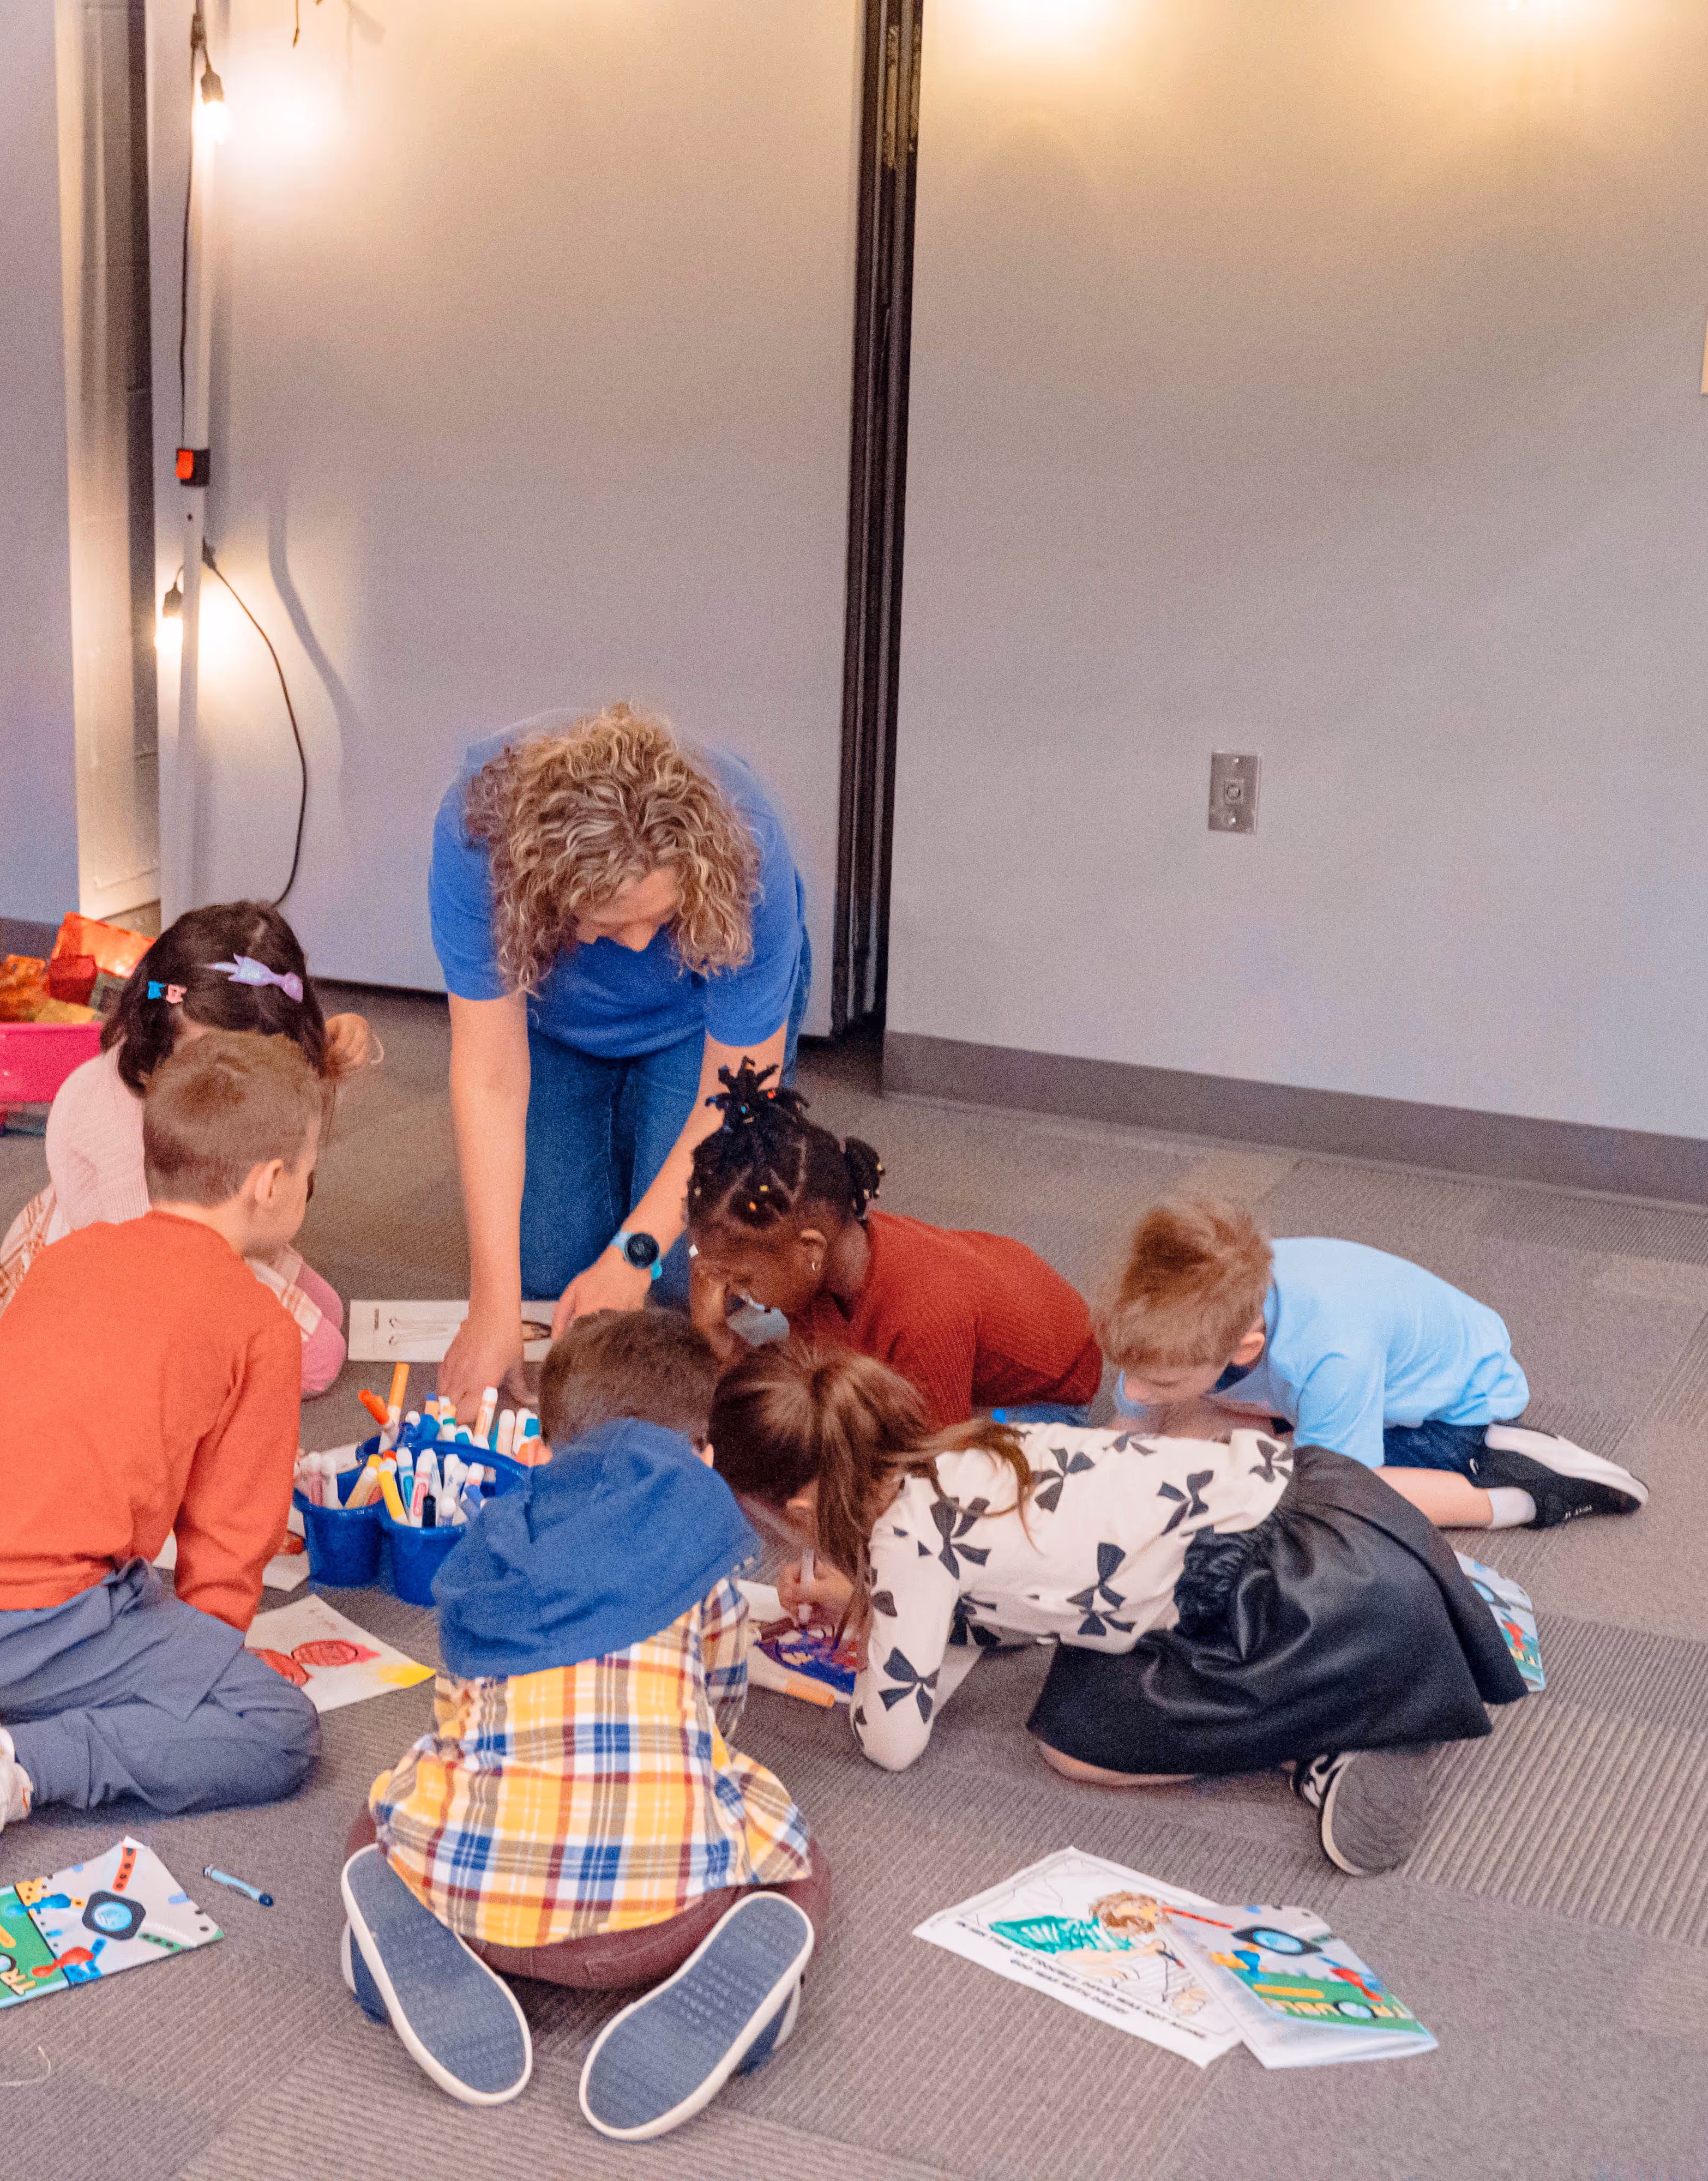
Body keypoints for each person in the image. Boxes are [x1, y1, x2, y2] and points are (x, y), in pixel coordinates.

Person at [709, 1345, 1529, 1877]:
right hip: (1340, 1516)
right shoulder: (971, 1446)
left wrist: (879, 1625)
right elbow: (1000, 1603)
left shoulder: (905, 1540)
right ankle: (1356, 1695)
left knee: (1074, 1742)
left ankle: (1327, 1732)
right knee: (1089, 1659)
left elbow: (892, 1743)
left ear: (802, 1506)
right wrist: (868, 1595)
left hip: (1304, 1602)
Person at [0, 1032, 324, 1909]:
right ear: (268, 1182)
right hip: (6, 1619)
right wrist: (195, 1673)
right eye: (308, 1175)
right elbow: (230, 1541)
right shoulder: (260, 1324)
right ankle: (8, 1767)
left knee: (115, 1581)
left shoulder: (69, 1253)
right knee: (277, 1730)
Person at [341, 1310, 820, 2140]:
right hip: (668, 1922)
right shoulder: (704, 1530)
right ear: (703, 1450)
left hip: (475, 1907)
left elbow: (456, 1702)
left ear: (544, 1443)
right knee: (795, 1856)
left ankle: (391, 1946)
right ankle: (755, 1992)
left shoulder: (497, 1530)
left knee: (379, 1809)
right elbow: (720, 1705)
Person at [428, 704, 810, 1402]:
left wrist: (634, 1254)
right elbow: (489, 1078)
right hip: (554, 1026)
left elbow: (735, 1091)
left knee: (675, 1283)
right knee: (544, 1277)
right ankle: (623, 1134)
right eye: (609, 923)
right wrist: (491, 1305)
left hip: (695, 1026)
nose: (638, 945)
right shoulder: (477, 838)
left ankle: (641, 1138)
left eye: (661, 918)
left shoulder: (750, 840)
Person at [0, 899, 376, 1396]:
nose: (231, 1077)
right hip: (118, 1275)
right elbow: (153, 1273)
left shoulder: (219, 1059)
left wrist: (330, 1045)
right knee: (320, 1355)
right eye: (211, 1058)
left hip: (198, 1233)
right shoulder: (117, 1121)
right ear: (165, 1032)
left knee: (331, 1311)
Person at [1095, 1195, 1649, 1531]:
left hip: (1448, 1409)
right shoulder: (1196, 1312)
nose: (1134, 1390)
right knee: (1189, 1441)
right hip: (1333, 1384)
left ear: (1244, 1349)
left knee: (1298, 1495)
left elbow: (1340, 1487)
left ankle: (1520, 1494)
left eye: (1160, 1379)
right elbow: (1131, 1422)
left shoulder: (1332, 1354)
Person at [685, 1058, 1101, 1428]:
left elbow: (934, 1461)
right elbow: (800, 1389)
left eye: (742, 1279)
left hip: (1049, 1393)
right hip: (975, 1316)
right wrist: (715, 1332)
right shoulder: (824, 1259)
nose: (732, 1290)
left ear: (809, 1250)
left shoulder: (923, 1321)